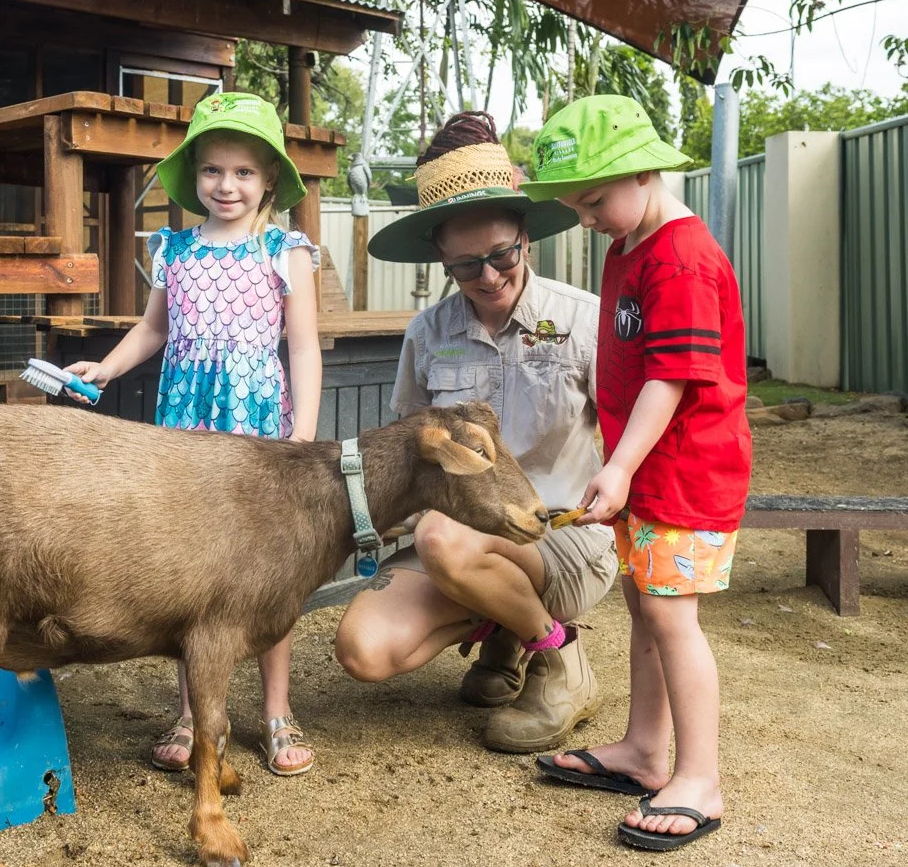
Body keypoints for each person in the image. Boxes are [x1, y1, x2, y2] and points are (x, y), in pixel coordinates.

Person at [334, 111, 620, 753]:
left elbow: (632, 436)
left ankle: (560, 658)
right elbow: (409, 445)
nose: (489, 278)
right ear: (442, 259)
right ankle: (505, 628)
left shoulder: (581, 322)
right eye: (467, 267)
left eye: (501, 256)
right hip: (452, 538)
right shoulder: (427, 335)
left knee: (444, 539)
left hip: (561, 537)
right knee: (363, 649)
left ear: (526, 237)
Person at [57, 91, 322, 777]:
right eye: (212, 171)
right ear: (193, 177)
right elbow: (154, 329)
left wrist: (304, 432)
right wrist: (106, 367)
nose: (226, 185)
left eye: (242, 172)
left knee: (265, 574)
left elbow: (305, 348)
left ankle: (276, 709)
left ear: (268, 180)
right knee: (185, 571)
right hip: (184, 428)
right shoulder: (174, 249)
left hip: (259, 430)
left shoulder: (283, 250)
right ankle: (191, 710)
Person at [520, 94, 751, 852]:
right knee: (645, 606)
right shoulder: (629, 247)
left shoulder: (680, 255)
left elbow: (673, 377)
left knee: (673, 619)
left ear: (645, 171)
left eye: (593, 200)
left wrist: (616, 467)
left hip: (681, 473)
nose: (586, 218)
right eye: (574, 205)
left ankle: (701, 777)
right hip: (644, 472)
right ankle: (647, 750)